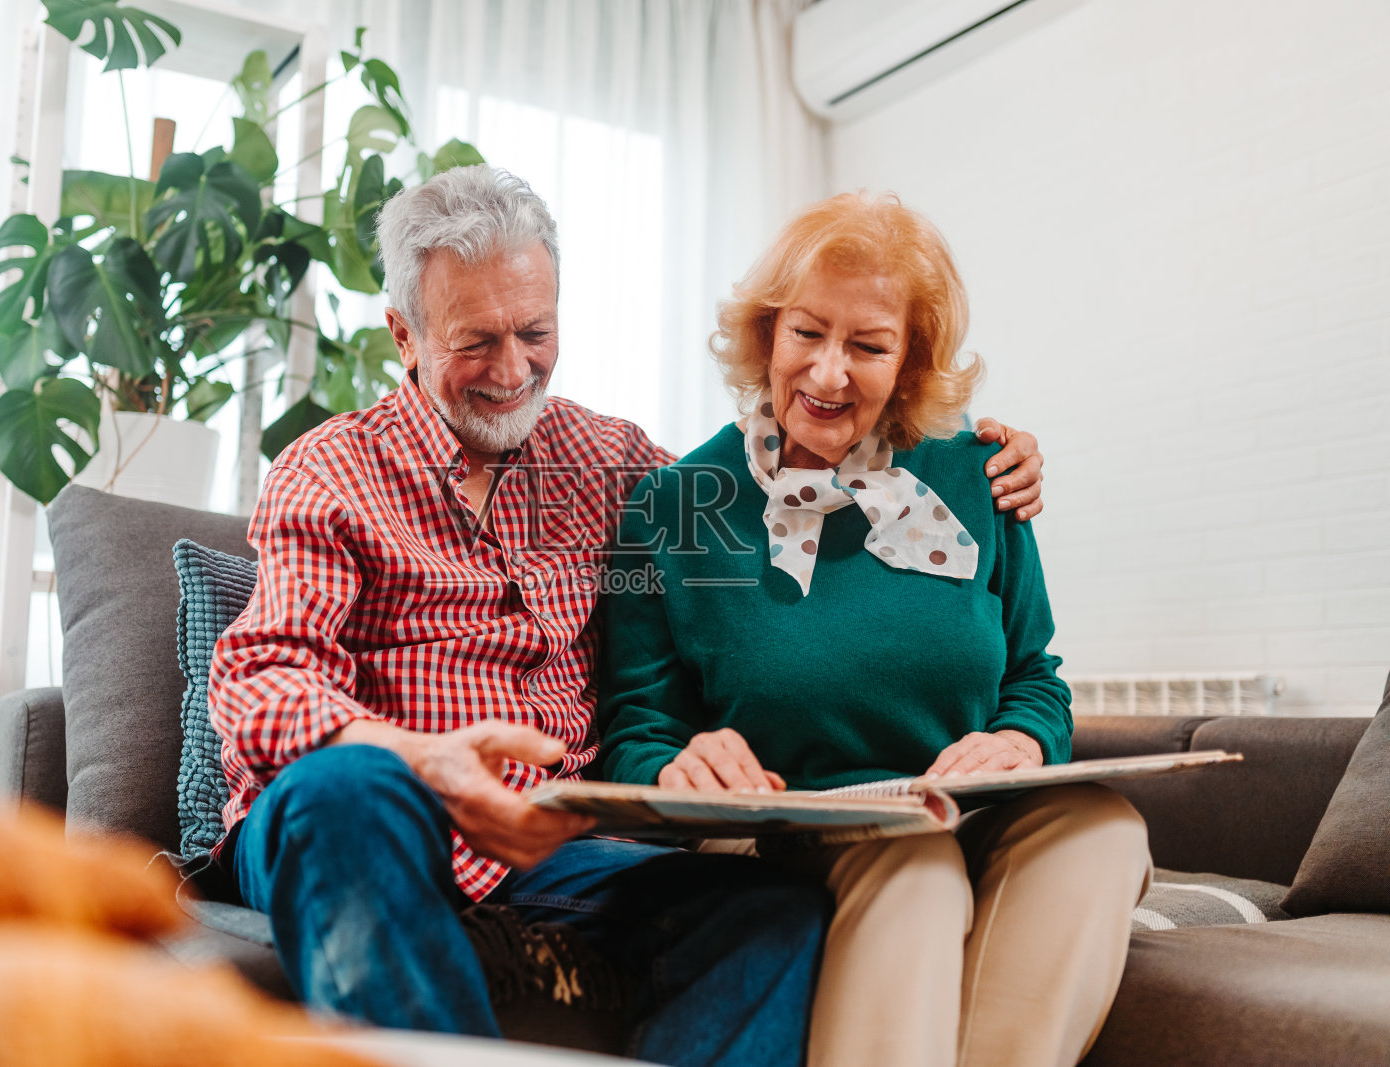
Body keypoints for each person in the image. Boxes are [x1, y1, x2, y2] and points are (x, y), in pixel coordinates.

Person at [206, 166, 1047, 1063]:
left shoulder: (611, 461)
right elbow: (261, 680)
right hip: (377, 813)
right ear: (403, 335)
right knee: (348, 791)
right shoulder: (331, 469)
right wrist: (427, 760)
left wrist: (973, 459)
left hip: (556, 845)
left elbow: (778, 486)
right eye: (475, 341)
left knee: (770, 911)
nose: (512, 369)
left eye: (535, 332)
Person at [597, 191, 1152, 1067]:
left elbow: (1034, 674)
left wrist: (1020, 738)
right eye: (807, 333)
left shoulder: (981, 474)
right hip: (799, 833)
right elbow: (635, 727)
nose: (827, 373)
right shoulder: (674, 505)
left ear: (910, 363)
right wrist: (678, 761)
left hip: (966, 810)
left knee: (1103, 828)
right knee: (916, 868)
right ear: (766, 333)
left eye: (868, 345)